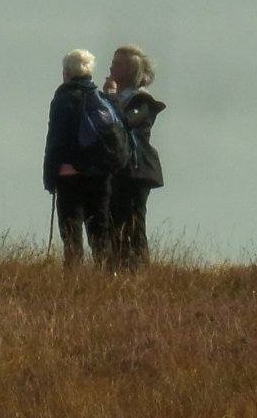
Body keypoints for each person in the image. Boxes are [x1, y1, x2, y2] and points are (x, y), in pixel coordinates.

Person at [42, 49, 120, 269]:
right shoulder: (101, 98)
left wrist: (50, 176)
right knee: (100, 230)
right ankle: (106, 277)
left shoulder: (63, 99)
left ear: (67, 72)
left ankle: (74, 280)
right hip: (100, 174)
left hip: (69, 176)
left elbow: (55, 140)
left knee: (71, 232)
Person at [102, 45, 166, 270]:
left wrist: (110, 98)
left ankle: (139, 271)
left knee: (133, 223)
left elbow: (123, 123)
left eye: (117, 63)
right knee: (113, 222)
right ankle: (117, 270)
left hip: (136, 170)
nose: (110, 66)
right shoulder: (112, 99)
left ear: (130, 71)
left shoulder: (143, 101)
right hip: (117, 169)